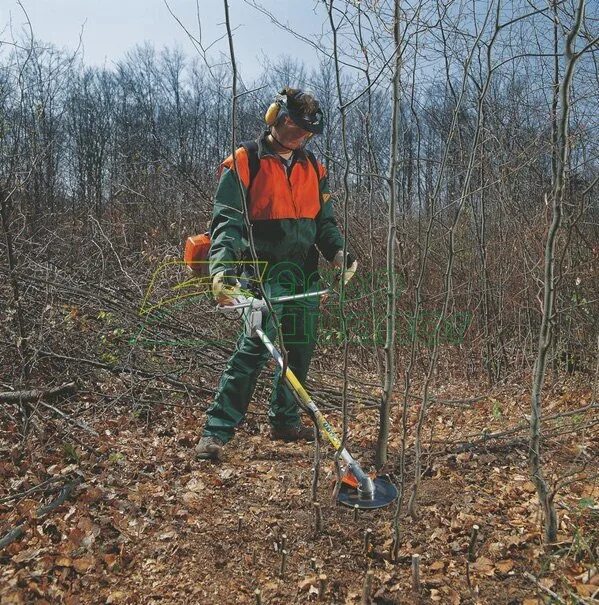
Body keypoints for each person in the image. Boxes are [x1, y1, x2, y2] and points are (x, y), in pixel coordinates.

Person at [195, 87, 357, 460]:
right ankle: (216, 431)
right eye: (293, 127)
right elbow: (227, 223)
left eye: (306, 133)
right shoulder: (245, 161)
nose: (299, 137)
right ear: (275, 118)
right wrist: (222, 271)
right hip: (261, 272)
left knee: (299, 351)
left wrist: (338, 253)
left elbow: (324, 222)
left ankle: (285, 419)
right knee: (254, 348)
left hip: (304, 275)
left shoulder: (313, 167)